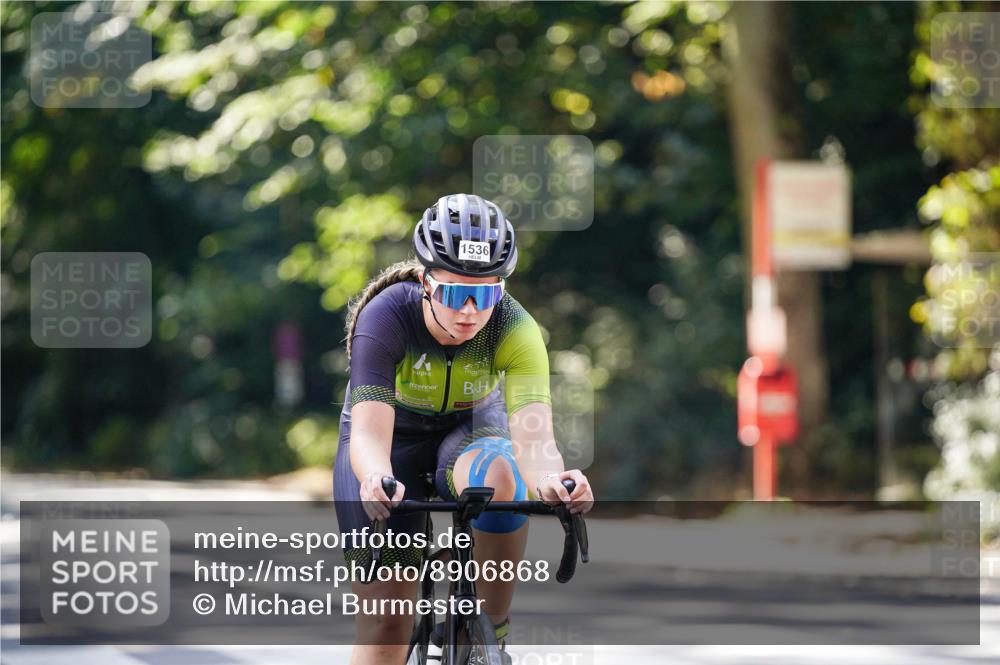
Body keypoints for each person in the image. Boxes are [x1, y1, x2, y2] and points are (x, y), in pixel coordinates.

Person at [333, 193, 594, 664]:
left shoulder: (516, 328)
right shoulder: (386, 316)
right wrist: (374, 475)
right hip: (391, 442)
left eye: (488, 292)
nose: (471, 310)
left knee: (500, 476)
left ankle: (488, 635)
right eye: (455, 292)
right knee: (387, 620)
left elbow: (533, 442)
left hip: (470, 429)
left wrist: (554, 482)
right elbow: (370, 434)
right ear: (425, 281)